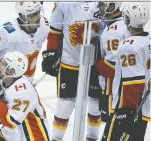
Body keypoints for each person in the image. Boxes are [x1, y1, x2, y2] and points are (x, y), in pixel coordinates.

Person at [0, 2, 49, 140]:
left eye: (38, 13)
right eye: (32, 15)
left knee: (17, 124)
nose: (37, 18)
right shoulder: (7, 33)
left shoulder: (44, 26)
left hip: (23, 83)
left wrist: (52, 54)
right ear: (22, 17)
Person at [42, 2, 102, 141]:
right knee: (65, 104)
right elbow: (55, 31)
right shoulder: (63, 3)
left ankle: (92, 138)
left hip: (96, 62)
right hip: (69, 62)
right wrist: (50, 54)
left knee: (95, 103)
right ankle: (56, 139)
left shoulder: (101, 3)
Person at [101, 3, 150, 141]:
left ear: (127, 20)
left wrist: (125, 111)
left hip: (128, 110)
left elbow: (133, 81)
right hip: (143, 109)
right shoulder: (148, 41)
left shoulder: (128, 46)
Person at [0, 51, 50, 141]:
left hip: (33, 134)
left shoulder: (23, 93)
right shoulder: (5, 79)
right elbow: (7, 106)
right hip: (13, 131)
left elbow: (10, 121)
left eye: (4, 64)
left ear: (11, 71)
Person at [95, 2, 130, 122]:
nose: (99, 8)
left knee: (113, 126)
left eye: (103, 5)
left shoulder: (113, 32)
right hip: (130, 84)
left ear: (112, 6)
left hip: (115, 88)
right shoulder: (125, 21)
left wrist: (95, 67)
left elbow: (112, 65)